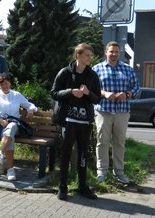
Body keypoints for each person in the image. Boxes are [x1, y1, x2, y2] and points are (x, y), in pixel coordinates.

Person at [50, 43, 101, 200]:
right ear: (78, 55)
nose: (89, 58)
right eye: (87, 55)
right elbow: (53, 93)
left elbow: (97, 98)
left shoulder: (92, 75)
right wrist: (71, 92)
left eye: (90, 55)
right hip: (68, 120)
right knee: (66, 154)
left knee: (83, 155)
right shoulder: (65, 73)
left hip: (85, 121)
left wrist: (87, 93)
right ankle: (63, 187)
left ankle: (82, 187)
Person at [92, 41, 139, 184]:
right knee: (102, 142)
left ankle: (119, 172)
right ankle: (102, 172)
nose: (114, 54)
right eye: (111, 51)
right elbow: (91, 89)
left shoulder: (127, 69)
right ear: (106, 52)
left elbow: (137, 87)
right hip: (103, 110)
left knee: (119, 142)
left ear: (120, 53)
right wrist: (104, 93)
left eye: (116, 52)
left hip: (122, 111)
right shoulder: (97, 69)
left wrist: (128, 94)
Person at [0, 73, 37, 181]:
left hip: (14, 123)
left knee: (12, 126)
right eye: (1, 84)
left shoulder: (16, 95)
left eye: (6, 83)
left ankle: (0, 153)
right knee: (10, 136)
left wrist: (31, 110)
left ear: (9, 82)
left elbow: (30, 105)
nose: (4, 86)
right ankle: (10, 170)